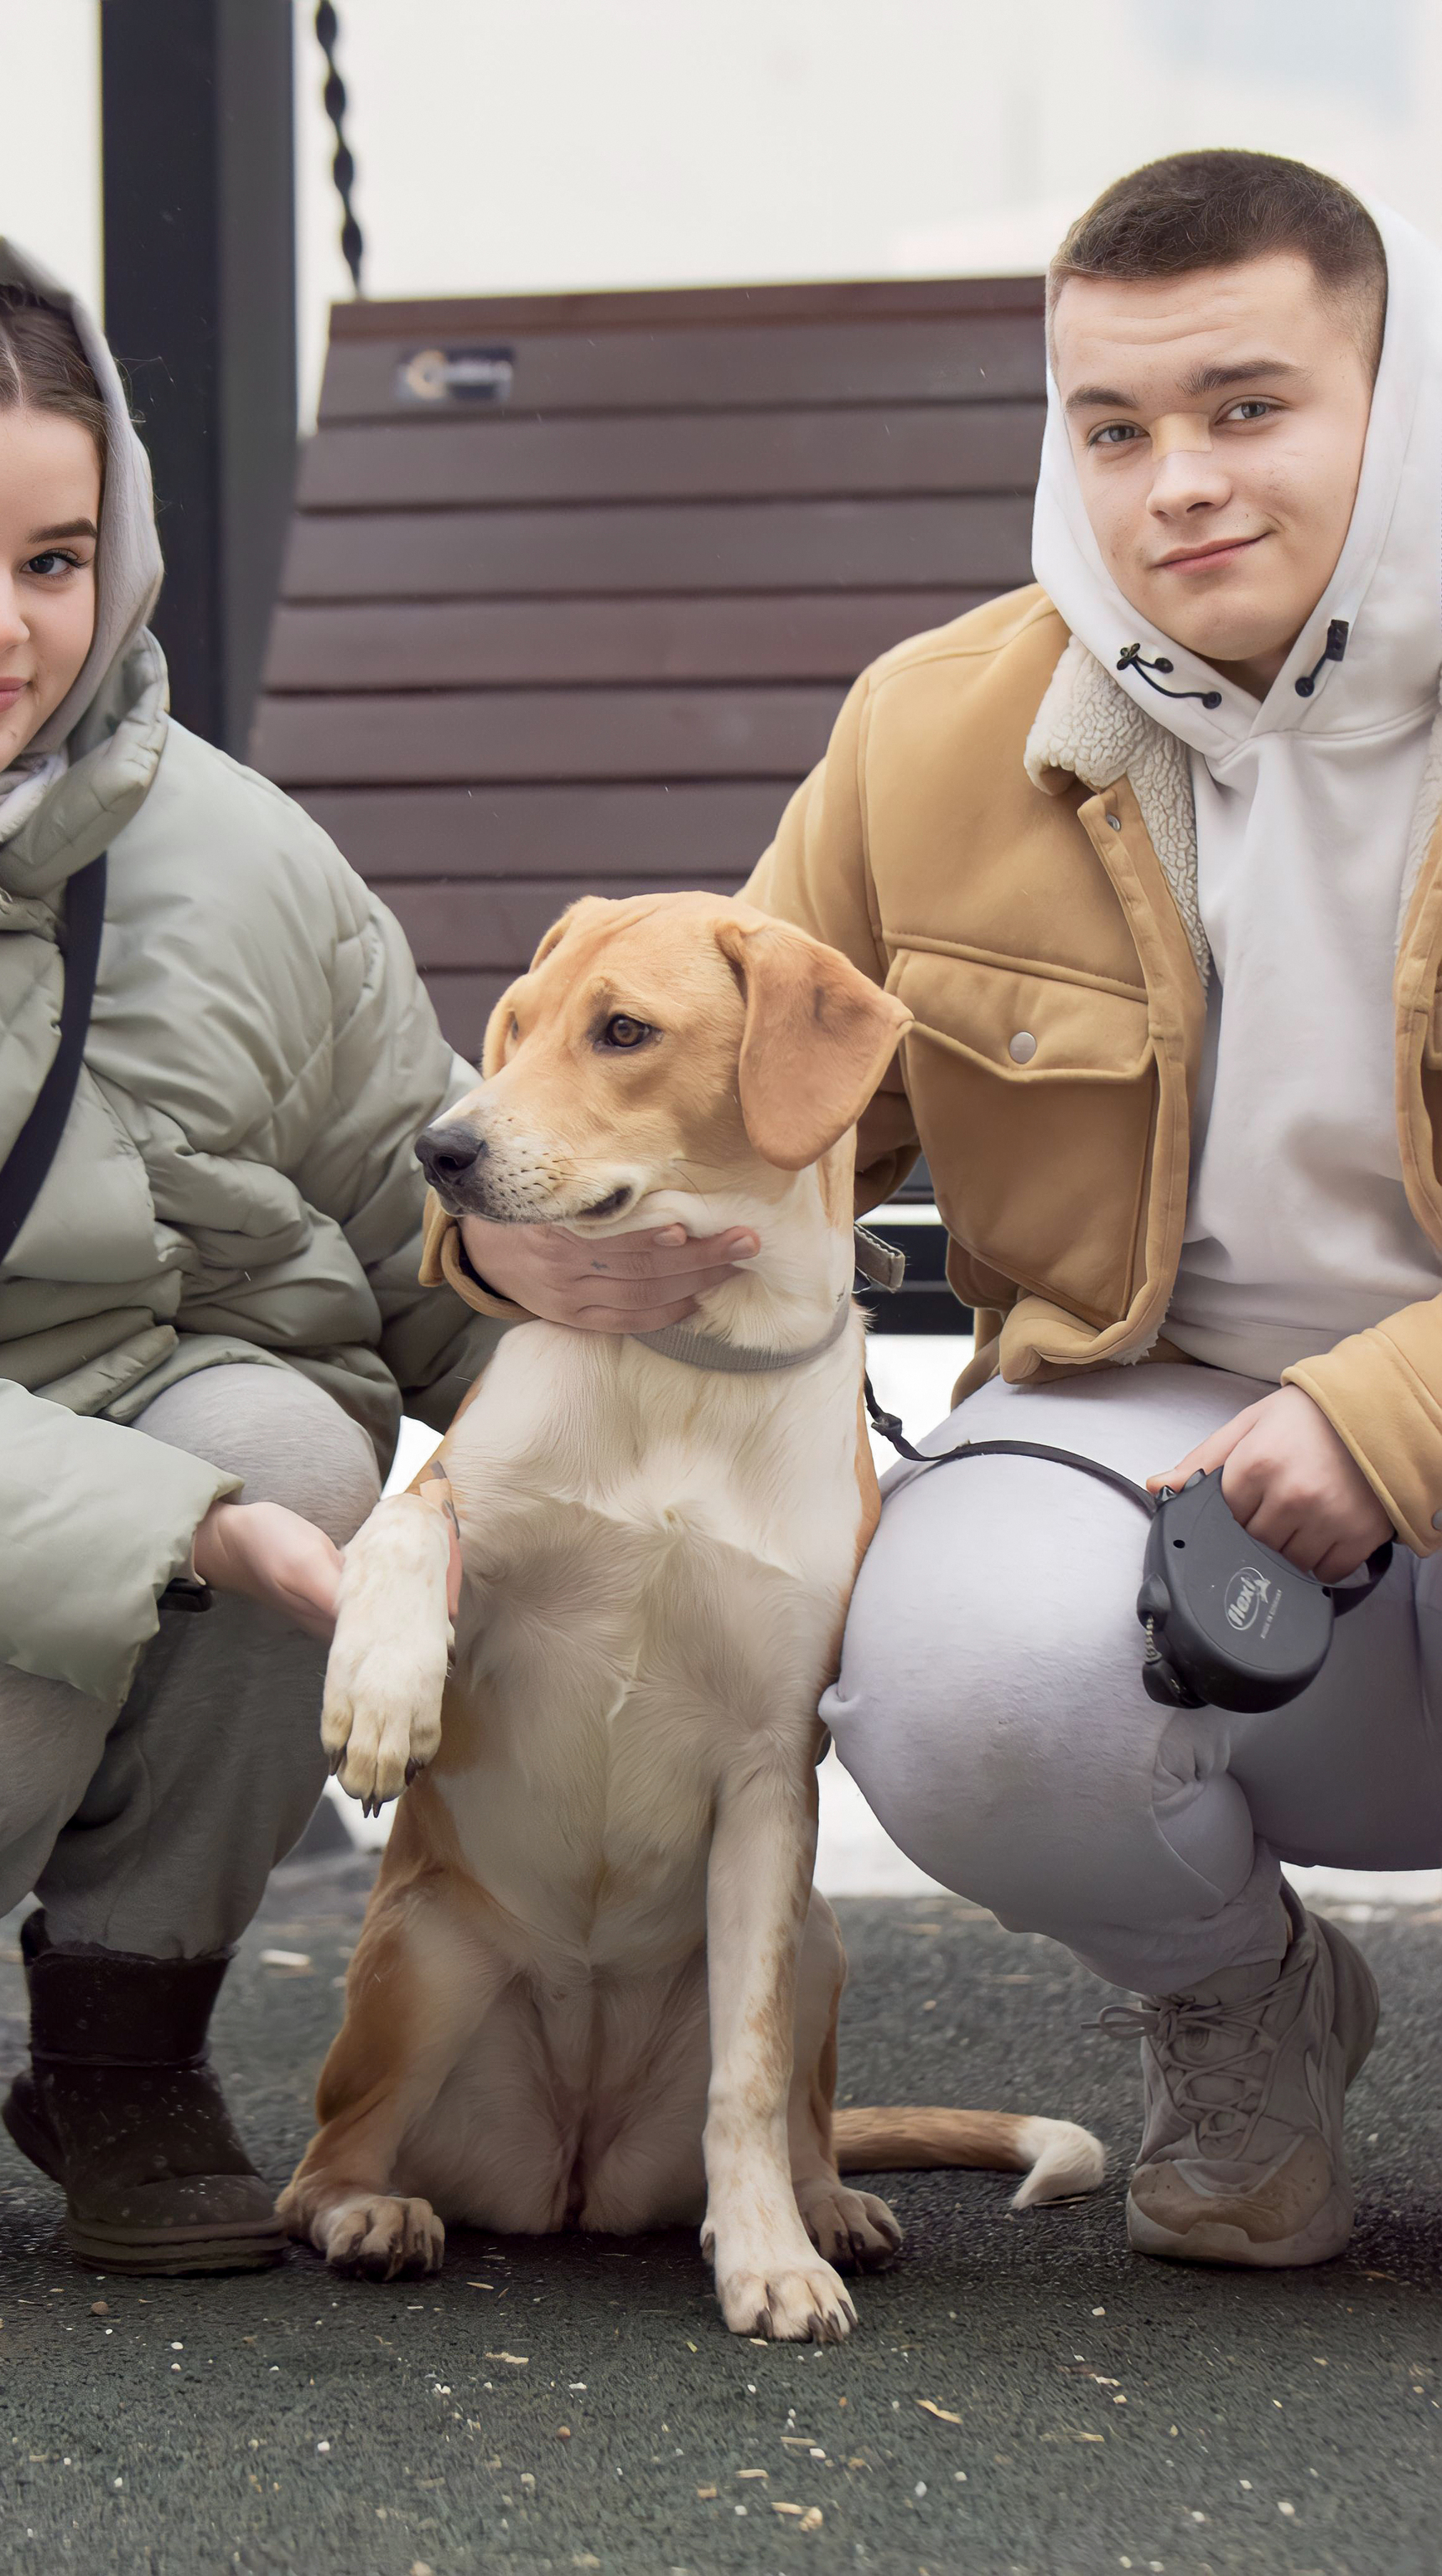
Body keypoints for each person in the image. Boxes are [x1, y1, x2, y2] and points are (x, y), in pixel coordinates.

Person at [443, 151, 1442, 2272]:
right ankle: (1241, 2006)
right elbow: (718, 1081)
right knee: (960, 1674)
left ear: (1399, 393)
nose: (1172, 481)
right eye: (1112, 425)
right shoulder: (936, 731)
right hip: (1145, 1411)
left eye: (1246, 408)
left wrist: (1390, 1416)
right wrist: (512, 1243)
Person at [0, 239, 495, 2273]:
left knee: (305, 1444)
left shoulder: (240, 858)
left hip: (95, 1483)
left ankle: (123, 2049)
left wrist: (693, 1449)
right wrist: (202, 1528)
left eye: (54, 560)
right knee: (52, 1625)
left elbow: (432, 1240)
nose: (0, 628)